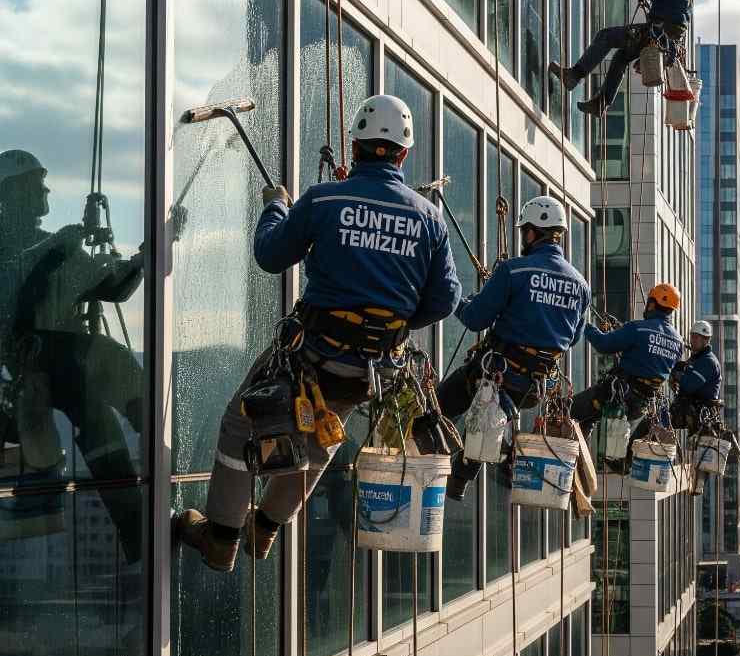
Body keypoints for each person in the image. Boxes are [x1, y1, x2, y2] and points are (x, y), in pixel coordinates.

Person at [174, 95, 462, 572]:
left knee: (241, 423)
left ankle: (220, 539)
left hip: (312, 353)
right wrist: (391, 325)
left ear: (355, 145)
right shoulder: (428, 218)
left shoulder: (326, 199)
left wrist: (276, 206)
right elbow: (445, 299)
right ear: (404, 154)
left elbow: (270, 254)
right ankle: (266, 527)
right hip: (370, 369)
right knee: (321, 439)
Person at [0, 149, 154, 561]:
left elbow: (112, 287)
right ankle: (146, 425)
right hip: (42, 361)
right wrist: (56, 245)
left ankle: (139, 532)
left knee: (99, 424)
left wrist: (141, 258)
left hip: (57, 366)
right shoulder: (30, 248)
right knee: (110, 364)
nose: (46, 191)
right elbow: (10, 282)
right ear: (13, 193)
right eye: (37, 184)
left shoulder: (55, 248)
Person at [436, 196, 590, 501]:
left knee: (435, 414)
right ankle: (461, 476)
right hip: (531, 387)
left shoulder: (514, 271)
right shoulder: (580, 285)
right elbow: (573, 339)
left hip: (495, 373)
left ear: (531, 233)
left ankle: (430, 467)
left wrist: (455, 300)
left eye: (524, 232)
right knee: (487, 416)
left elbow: (475, 318)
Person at [548, 0, 692, 117]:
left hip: (655, 34)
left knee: (606, 36)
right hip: (661, 37)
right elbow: (664, 2)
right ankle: (600, 103)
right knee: (621, 57)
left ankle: (574, 76)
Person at [569, 283, 684, 439]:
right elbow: (648, 356)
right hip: (640, 405)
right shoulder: (678, 342)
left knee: (568, 409)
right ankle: (581, 450)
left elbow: (604, 344)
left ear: (652, 304)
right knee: (589, 419)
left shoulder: (638, 328)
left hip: (618, 394)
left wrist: (585, 326)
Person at [669, 320, 723, 431]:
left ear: (706, 340)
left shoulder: (708, 362)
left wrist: (677, 374)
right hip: (695, 412)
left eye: (696, 337)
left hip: (702, 415)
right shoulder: (697, 359)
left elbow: (689, 385)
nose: (692, 340)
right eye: (692, 337)